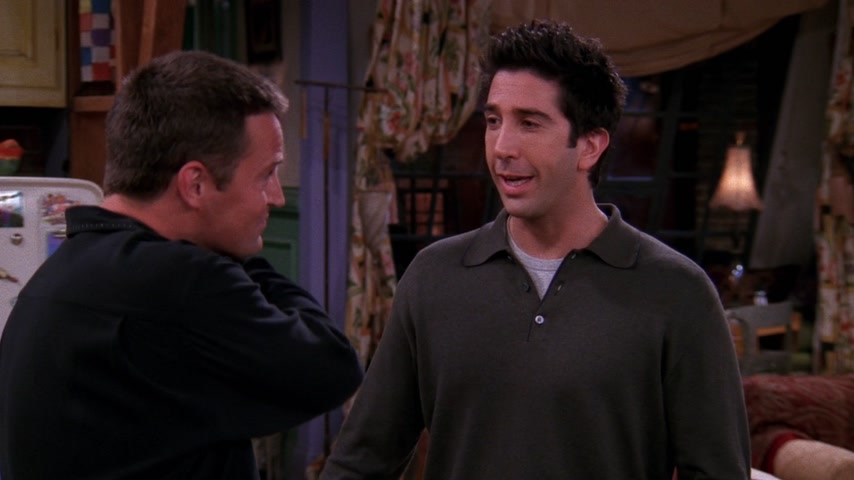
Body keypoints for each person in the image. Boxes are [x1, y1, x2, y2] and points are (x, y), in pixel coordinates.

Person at [319, 19, 751, 480]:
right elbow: (361, 461)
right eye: (493, 121)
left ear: (589, 146)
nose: (502, 147)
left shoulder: (677, 292)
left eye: (529, 123)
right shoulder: (434, 276)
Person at [0, 50, 363, 479]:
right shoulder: (180, 280)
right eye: (266, 175)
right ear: (195, 184)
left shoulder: (55, 275)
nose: (278, 197)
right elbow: (332, 368)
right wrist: (240, 253)